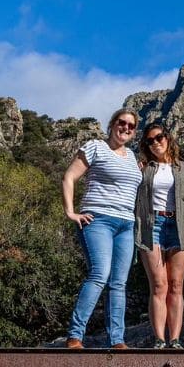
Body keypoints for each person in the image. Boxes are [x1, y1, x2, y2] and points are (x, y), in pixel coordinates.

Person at [62, 108, 143, 349]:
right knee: (99, 274)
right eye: (122, 123)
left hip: (126, 225)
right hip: (98, 220)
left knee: (119, 283)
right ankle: (75, 336)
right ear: (112, 124)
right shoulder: (95, 147)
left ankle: (117, 340)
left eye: (131, 126)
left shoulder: (132, 157)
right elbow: (68, 178)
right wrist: (70, 212)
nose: (126, 128)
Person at [134, 123, 184, 349]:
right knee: (159, 285)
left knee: (176, 285)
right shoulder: (143, 168)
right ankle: (159, 339)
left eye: (159, 138)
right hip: (152, 226)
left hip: (179, 226)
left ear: (167, 138)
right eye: (150, 141)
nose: (155, 143)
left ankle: (175, 339)